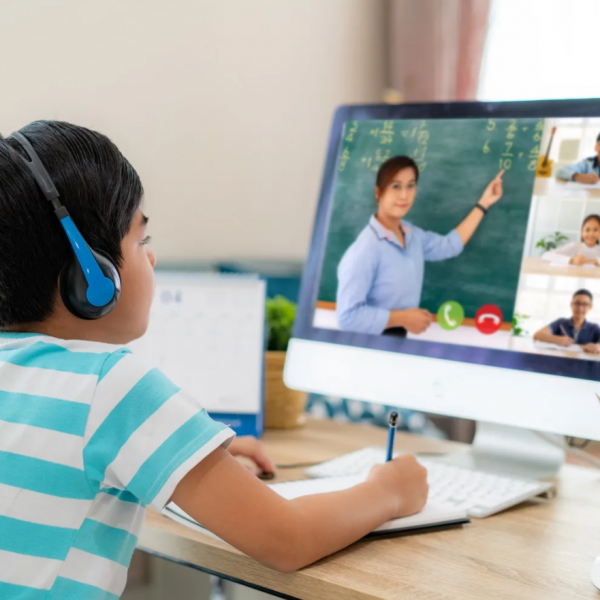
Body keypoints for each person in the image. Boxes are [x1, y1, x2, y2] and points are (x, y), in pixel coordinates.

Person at [0, 121, 428, 597]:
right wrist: (388, 490)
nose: (153, 259)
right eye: (141, 241)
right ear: (93, 279)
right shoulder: (110, 385)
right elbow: (287, 539)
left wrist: (192, 463)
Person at [336, 156, 504, 336]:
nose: (404, 195)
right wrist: (402, 318)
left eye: (410, 185)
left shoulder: (412, 235)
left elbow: (449, 246)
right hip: (369, 346)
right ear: (378, 193)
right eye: (396, 186)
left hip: (396, 339)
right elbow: (347, 317)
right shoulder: (366, 250)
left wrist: (483, 203)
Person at [533, 289, 600, 354]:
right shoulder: (560, 323)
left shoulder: (594, 328)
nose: (580, 308)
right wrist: (558, 340)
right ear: (571, 304)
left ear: (590, 306)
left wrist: (598, 347)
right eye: (577, 303)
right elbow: (537, 335)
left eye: (585, 304)